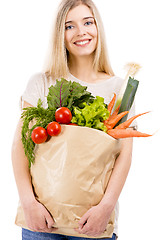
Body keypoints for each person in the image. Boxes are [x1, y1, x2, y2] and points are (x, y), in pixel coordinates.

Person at [12, 0, 136, 239]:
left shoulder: (119, 89)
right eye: (70, 26)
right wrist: (28, 203)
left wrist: (105, 208)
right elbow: (20, 146)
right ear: (60, 34)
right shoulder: (41, 82)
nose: (81, 32)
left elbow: (125, 155)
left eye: (88, 22)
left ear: (98, 27)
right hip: (40, 219)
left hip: (93, 222)